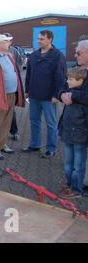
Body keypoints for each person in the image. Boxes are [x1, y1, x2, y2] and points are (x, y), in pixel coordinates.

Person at [23, 30, 67, 159]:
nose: (39, 41)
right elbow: (29, 74)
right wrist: (27, 90)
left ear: (50, 39)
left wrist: (56, 95)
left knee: (51, 123)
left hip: (49, 97)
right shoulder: (34, 55)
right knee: (34, 121)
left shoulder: (57, 56)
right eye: (38, 38)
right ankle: (35, 144)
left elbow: (60, 77)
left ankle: (51, 149)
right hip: (34, 95)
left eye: (42, 39)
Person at [59, 39, 88, 189]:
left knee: (79, 162)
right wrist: (62, 94)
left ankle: (77, 189)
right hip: (69, 123)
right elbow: (63, 86)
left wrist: (73, 96)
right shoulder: (76, 69)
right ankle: (70, 185)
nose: (75, 55)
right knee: (69, 160)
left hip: (82, 126)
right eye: (75, 52)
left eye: (79, 53)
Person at [4, 33, 24, 141]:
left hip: (11, 87)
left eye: (8, 40)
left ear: (11, 41)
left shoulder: (14, 52)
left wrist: (14, 76)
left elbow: (19, 65)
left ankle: (14, 131)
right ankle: (0, 132)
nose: (6, 42)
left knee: (11, 110)